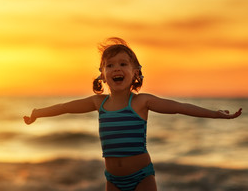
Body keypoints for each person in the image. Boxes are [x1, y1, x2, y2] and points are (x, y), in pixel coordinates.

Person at [23, 37, 242, 191]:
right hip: (113, 179)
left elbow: (179, 107)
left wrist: (216, 114)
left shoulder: (140, 102)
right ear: (102, 75)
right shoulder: (98, 103)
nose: (116, 68)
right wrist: (37, 113)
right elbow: (65, 107)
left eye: (123, 64)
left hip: (142, 177)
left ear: (135, 72)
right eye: (110, 65)